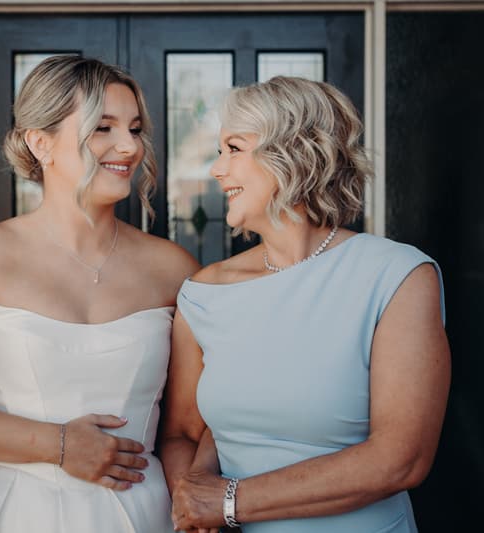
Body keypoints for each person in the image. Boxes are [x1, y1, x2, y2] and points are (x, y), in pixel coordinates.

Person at [0, 55, 198, 533]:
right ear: (41, 143)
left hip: (144, 512)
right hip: (15, 512)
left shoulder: (174, 269)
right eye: (103, 127)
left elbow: (186, 428)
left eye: (135, 129)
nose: (128, 146)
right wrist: (58, 445)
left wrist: (192, 502)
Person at [160, 76, 451, 533]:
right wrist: (191, 503)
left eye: (233, 148)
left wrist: (231, 502)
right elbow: (181, 435)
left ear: (293, 151)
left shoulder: (397, 276)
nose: (217, 170)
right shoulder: (203, 294)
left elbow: (402, 459)